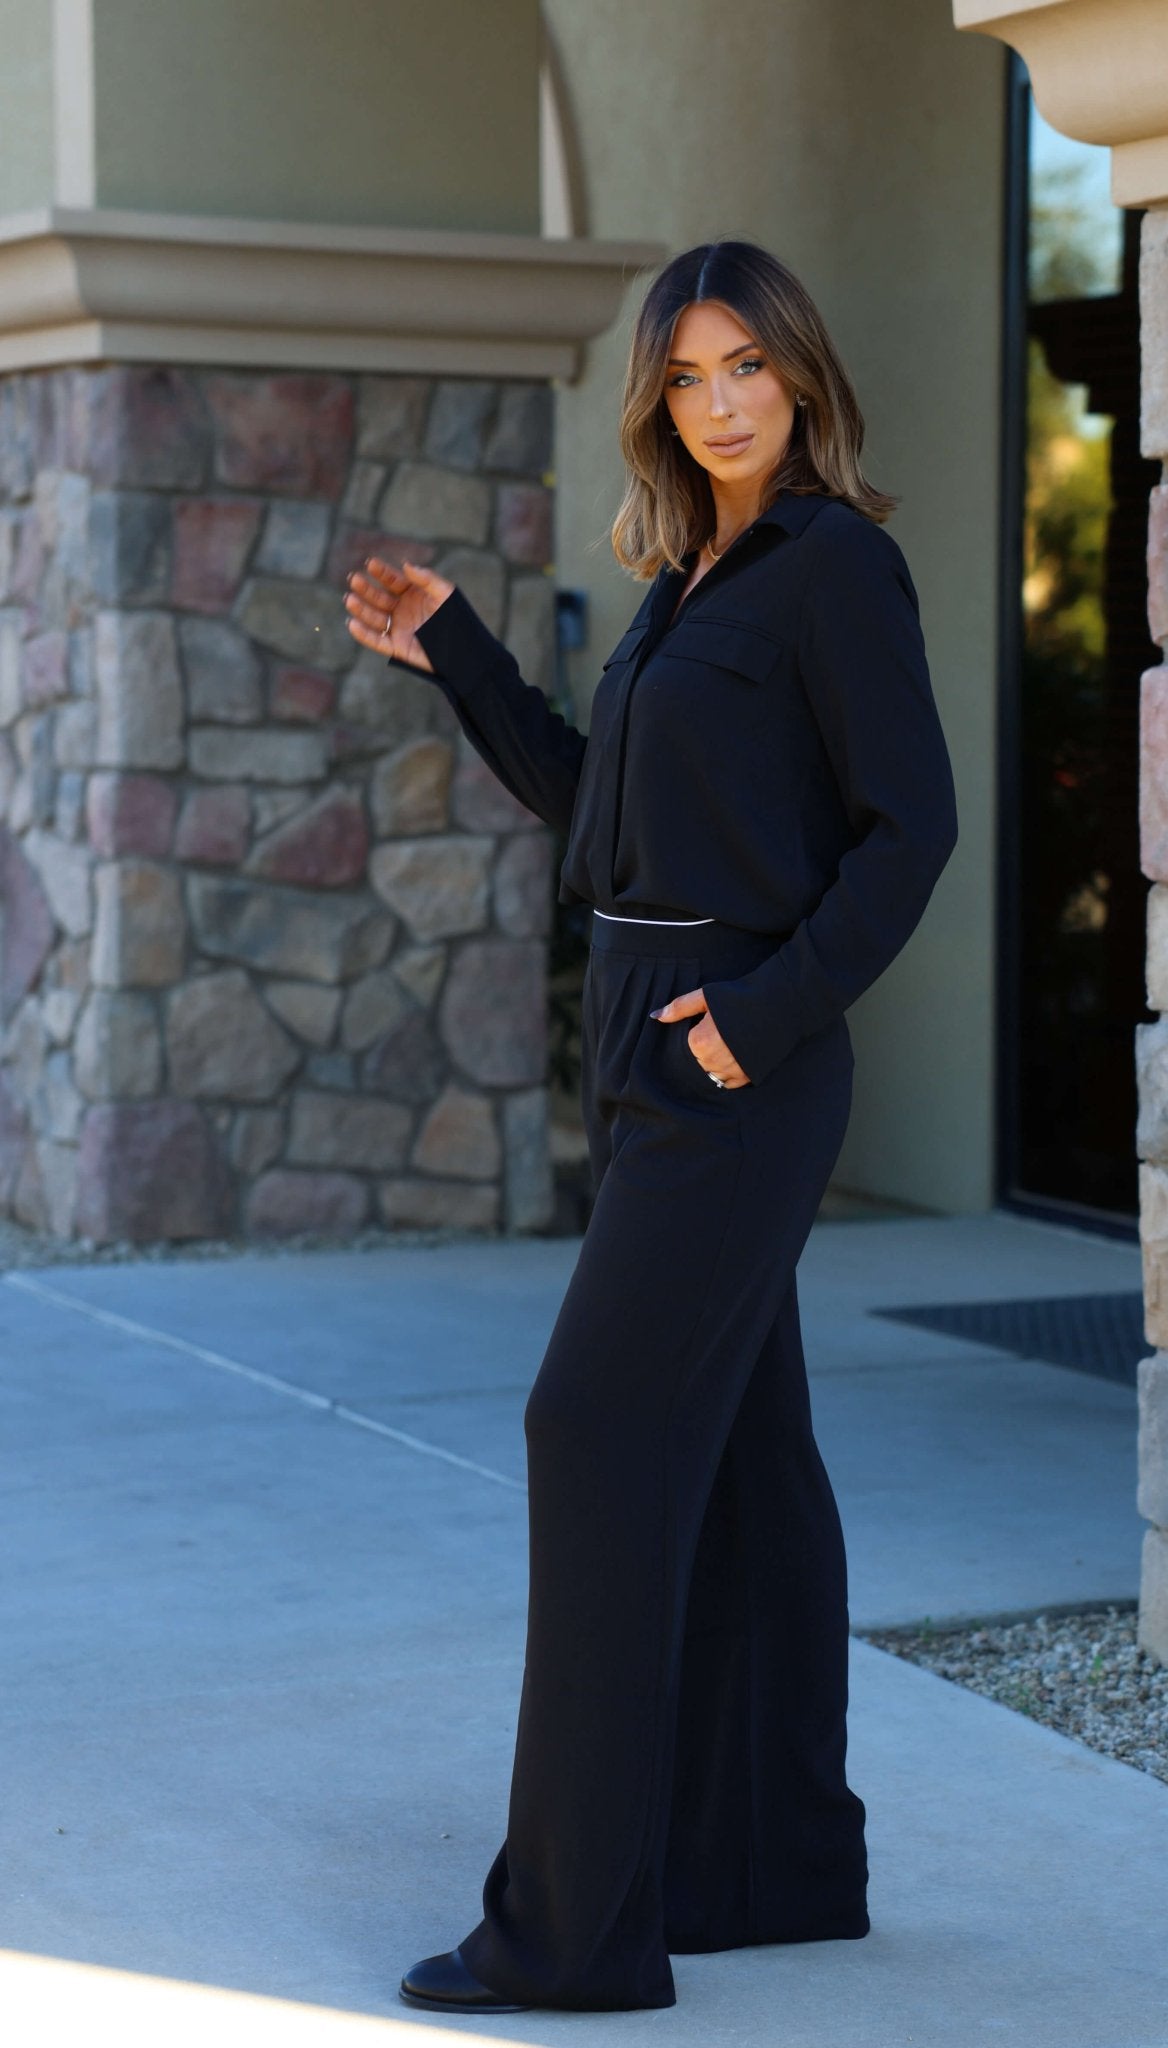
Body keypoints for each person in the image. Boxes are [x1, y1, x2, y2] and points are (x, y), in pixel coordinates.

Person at [342, 237, 958, 2016]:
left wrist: (757, 1019)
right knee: (745, 1455)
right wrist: (459, 652)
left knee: (593, 1429)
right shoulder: (687, 580)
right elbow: (593, 808)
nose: (719, 403)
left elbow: (910, 832)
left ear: (800, 372)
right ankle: (774, 1865)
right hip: (639, 1032)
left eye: (744, 365)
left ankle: (573, 1932)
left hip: (731, 1056)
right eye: (685, 377)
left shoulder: (835, 567)